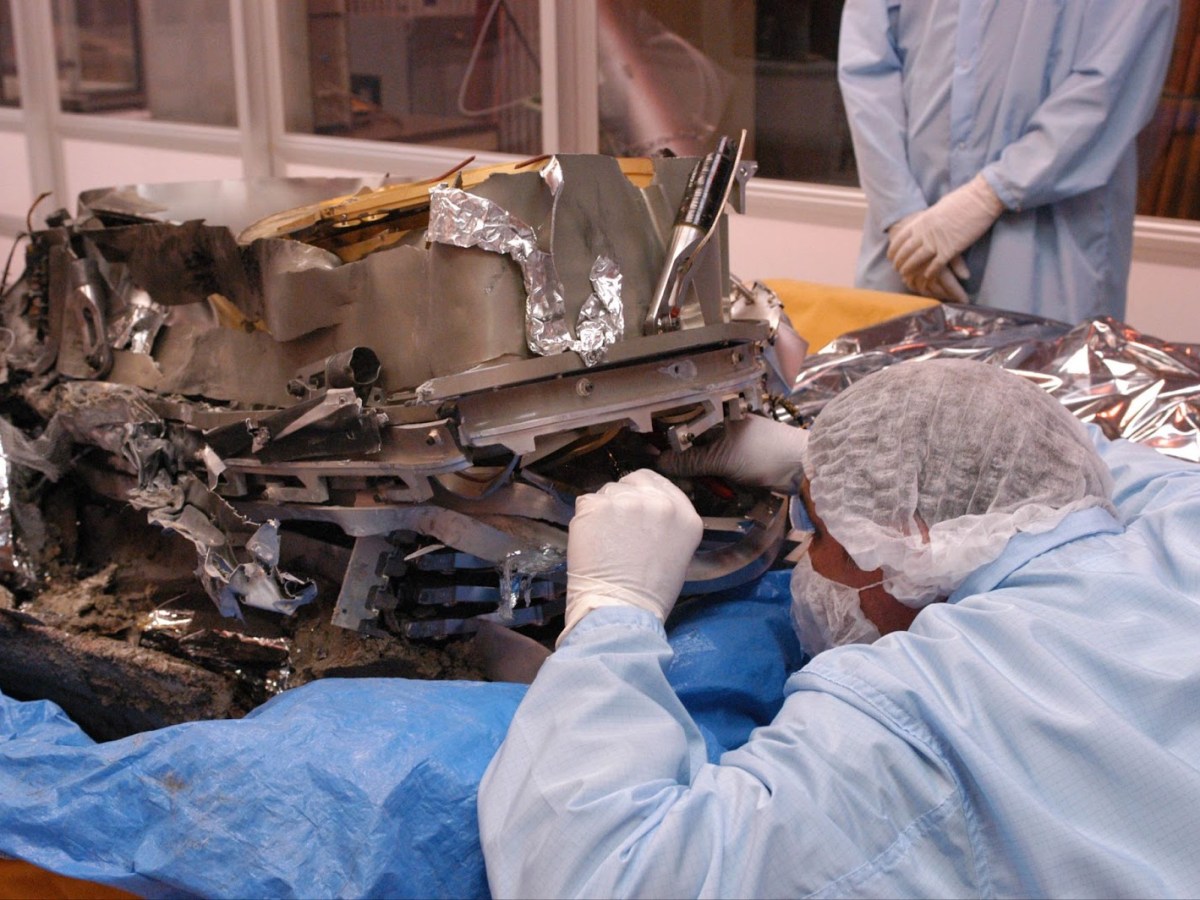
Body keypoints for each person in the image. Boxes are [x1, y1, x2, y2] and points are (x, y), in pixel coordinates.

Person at [477, 357, 1200, 898]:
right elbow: (1043, 450)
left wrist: (612, 610)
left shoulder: (918, 722)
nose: (802, 547)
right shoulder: (1181, 529)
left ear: (913, 548)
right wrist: (831, 458)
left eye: (819, 530)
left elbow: (600, 871)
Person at [838, 1, 1179, 323]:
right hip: (907, 246)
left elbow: (1108, 83)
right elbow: (866, 69)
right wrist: (899, 210)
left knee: (1039, 362)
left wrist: (989, 195)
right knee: (891, 363)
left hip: (1043, 246)